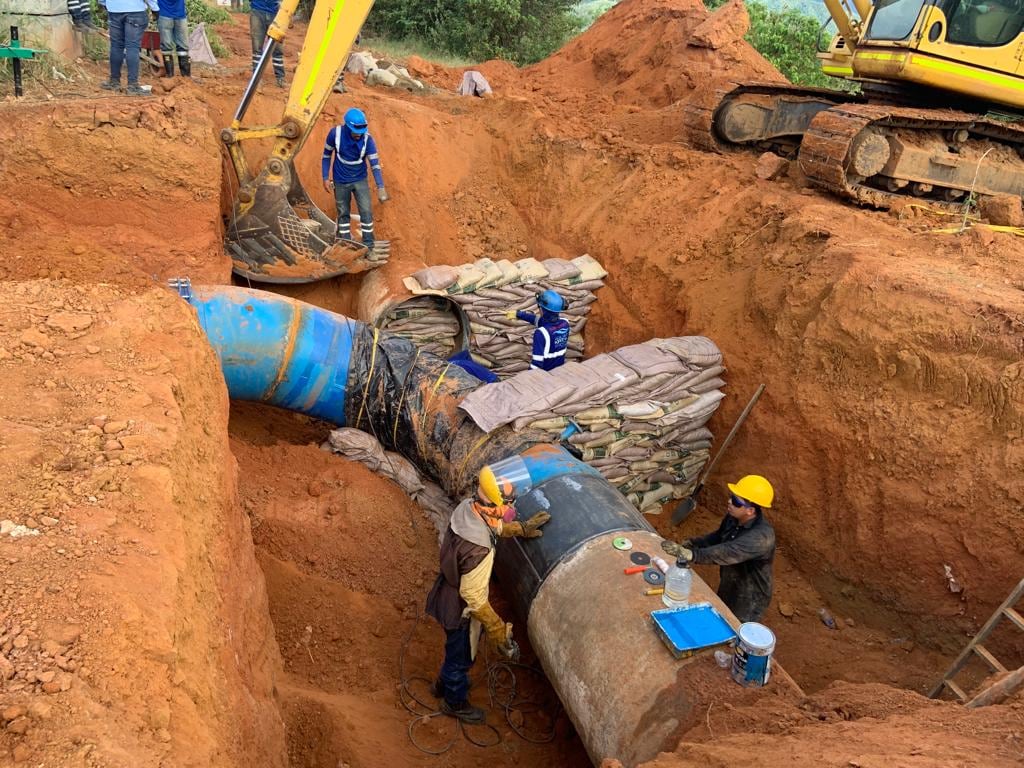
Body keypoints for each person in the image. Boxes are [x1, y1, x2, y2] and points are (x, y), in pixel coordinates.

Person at [425, 467, 551, 723]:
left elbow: (493, 526)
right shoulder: (479, 549)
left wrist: (520, 528)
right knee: (461, 656)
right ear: (494, 506)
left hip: (447, 589)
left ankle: (443, 684)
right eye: (508, 504)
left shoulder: (469, 508)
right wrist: (496, 628)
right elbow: (473, 596)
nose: (511, 507)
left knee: (455, 653)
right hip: (459, 608)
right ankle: (454, 702)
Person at [661, 474, 776, 623]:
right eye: (731, 497)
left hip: (749, 596)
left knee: (734, 625)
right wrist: (693, 543)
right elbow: (718, 537)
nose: (729, 502)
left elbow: (728, 552)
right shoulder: (734, 517)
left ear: (750, 511)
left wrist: (692, 554)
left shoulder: (761, 538)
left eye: (736, 501)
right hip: (730, 582)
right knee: (721, 613)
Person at [321, 107, 388, 251]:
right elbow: (326, 156)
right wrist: (325, 177)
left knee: (366, 212)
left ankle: (369, 247)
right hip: (340, 180)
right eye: (355, 132)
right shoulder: (335, 134)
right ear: (347, 127)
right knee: (343, 213)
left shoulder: (368, 140)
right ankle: (345, 245)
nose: (359, 135)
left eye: (361, 132)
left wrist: (381, 187)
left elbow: (375, 164)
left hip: (360, 179)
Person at [99, 0, 159, 95]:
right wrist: (155, 8)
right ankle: (132, 85)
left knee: (116, 46)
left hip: (114, 11)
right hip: (135, 10)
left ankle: (114, 81)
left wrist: (105, 3)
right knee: (132, 47)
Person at [505, 289, 570, 371]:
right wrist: (519, 314)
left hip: (545, 374)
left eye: (539, 306)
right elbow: (539, 321)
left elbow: (536, 364)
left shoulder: (541, 333)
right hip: (559, 371)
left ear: (542, 309)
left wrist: (528, 377)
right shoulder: (565, 323)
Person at [250, 0, 285, 87]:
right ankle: (256, 79)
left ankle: (280, 78)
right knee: (257, 48)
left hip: (275, 12)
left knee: (277, 48)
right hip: (257, 11)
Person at [156, 0, 190, 78]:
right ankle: (186, 76)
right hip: (179, 15)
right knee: (183, 46)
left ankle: (170, 75)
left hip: (164, 15)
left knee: (166, 46)